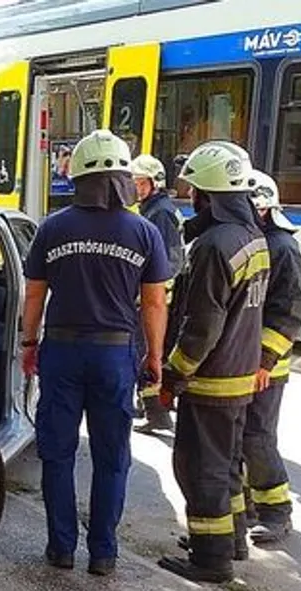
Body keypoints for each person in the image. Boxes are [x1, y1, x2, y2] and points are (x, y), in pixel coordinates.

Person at [20, 128, 170, 577]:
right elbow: (155, 302)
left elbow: (34, 295)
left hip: (62, 351)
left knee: (58, 453)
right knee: (111, 456)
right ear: (125, 177)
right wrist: (155, 358)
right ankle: (103, 553)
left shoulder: (53, 227)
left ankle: (60, 548)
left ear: (78, 176)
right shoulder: (144, 232)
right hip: (114, 355)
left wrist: (30, 343)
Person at [157, 140, 269, 584]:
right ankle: (232, 540)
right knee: (226, 465)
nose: (189, 200)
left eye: (193, 192)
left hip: (210, 381)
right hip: (240, 377)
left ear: (208, 195)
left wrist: (174, 374)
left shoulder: (213, 246)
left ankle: (210, 559)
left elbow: (202, 325)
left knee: (199, 467)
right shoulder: (253, 238)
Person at [242, 170, 301, 545]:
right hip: (248, 361)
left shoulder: (282, 249)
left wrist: (265, 361)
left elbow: (290, 310)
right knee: (242, 438)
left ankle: (276, 511)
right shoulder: (260, 242)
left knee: (258, 436)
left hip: (266, 366)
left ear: (263, 210)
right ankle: (251, 506)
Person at [131, 153, 185, 432]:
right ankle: (152, 406)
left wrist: (150, 292)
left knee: (146, 351)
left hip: (157, 297)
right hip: (158, 295)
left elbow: (167, 259)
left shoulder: (159, 212)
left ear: (154, 183)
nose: (136, 188)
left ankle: (156, 413)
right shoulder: (158, 208)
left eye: (140, 183)